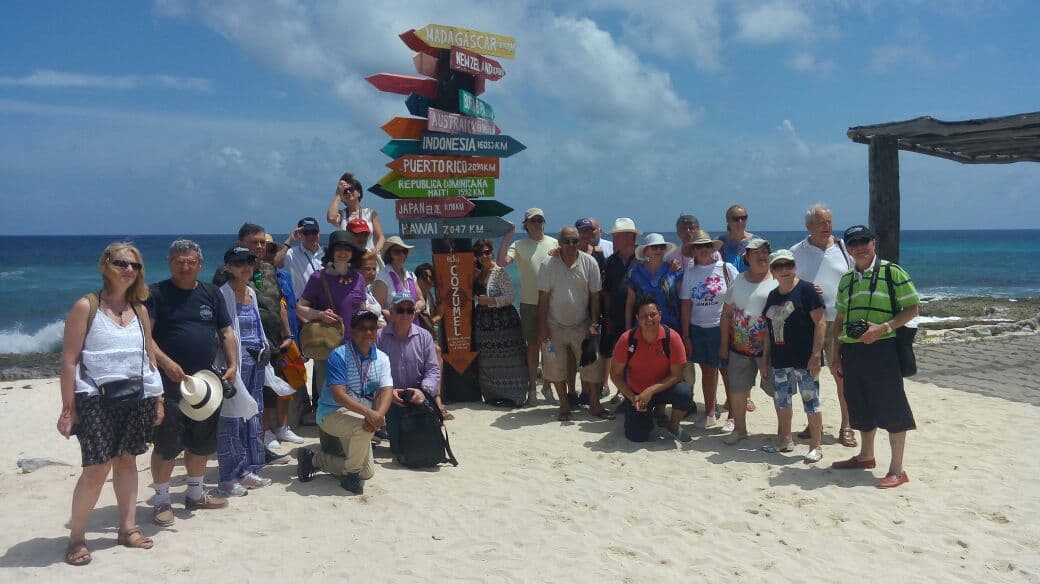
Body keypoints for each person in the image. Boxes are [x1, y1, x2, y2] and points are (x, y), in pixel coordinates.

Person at [58, 243, 164, 565]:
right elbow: (68, 360)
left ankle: (127, 528)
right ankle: (76, 538)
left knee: (127, 461)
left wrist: (157, 398)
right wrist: (68, 408)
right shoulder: (85, 306)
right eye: (121, 263)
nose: (128, 270)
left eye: (134, 265)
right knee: (96, 469)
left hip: (135, 397)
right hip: (95, 399)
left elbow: (148, 359)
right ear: (106, 265)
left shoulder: (141, 310)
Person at [148, 240, 243, 527]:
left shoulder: (211, 293)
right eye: (179, 260)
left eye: (190, 261)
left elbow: (225, 330)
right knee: (167, 443)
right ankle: (162, 500)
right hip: (168, 384)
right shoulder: (156, 294)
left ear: (200, 264)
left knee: (202, 441)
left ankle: (195, 493)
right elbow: (145, 337)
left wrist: (233, 363)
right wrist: (166, 363)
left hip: (205, 385)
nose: (185, 266)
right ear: (169, 262)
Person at [831, 225, 919, 489]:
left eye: (863, 241)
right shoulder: (847, 279)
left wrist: (883, 328)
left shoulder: (892, 272)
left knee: (891, 406)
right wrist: (836, 355)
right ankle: (866, 456)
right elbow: (840, 318)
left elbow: (913, 308)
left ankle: (897, 469)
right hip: (853, 350)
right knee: (860, 403)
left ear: (873, 243)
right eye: (853, 243)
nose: (859, 247)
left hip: (884, 349)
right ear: (847, 248)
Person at [296, 309, 394, 494]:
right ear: (353, 331)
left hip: (361, 415)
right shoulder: (339, 355)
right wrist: (370, 415)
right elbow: (339, 395)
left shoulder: (382, 358)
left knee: (366, 472)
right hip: (331, 414)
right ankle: (349, 478)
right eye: (362, 328)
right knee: (362, 428)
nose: (367, 332)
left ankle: (314, 460)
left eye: (372, 328)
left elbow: (387, 390)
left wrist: (379, 415)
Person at [790, 204, 856, 447]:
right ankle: (813, 422)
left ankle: (847, 425)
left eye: (829, 221)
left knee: (842, 375)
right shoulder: (796, 251)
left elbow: (856, 277)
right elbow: (786, 279)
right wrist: (805, 288)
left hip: (840, 321)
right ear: (809, 226)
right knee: (810, 375)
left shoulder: (843, 249)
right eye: (821, 222)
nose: (827, 226)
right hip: (809, 322)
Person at [214, 247, 278, 496]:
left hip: (256, 363)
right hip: (234, 366)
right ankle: (228, 476)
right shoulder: (222, 295)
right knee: (231, 420)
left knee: (252, 414)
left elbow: (257, 326)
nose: (246, 267)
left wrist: (265, 349)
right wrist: (230, 365)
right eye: (239, 262)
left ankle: (248, 468)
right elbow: (222, 333)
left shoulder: (251, 292)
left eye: (249, 262)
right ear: (228, 266)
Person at [536, 226, 609, 421]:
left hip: (582, 324)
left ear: (579, 242)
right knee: (554, 366)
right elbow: (543, 297)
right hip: (554, 325)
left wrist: (594, 323)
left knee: (592, 365)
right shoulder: (548, 263)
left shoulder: (590, 263)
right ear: (559, 242)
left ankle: (594, 404)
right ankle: (564, 405)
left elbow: (595, 297)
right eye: (566, 241)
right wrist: (542, 326)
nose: (570, 245)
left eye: (574, 241)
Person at [762, 249, 826, 463]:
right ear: (772, 271)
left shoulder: (807, 290)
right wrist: (765, 360)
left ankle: (816, 446)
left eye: (788, 265)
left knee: (811, 402)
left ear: (794, 266)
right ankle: (785, 439)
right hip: (780, 360)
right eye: (779, 266)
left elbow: (821, 323)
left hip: (805, 359)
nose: (784, 270)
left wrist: (816, 355)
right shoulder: (772, 295)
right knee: (782, 402)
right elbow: (768, 331)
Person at [297, 230, 366, 412]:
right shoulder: (318, 278)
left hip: (355, 346)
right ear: (332, 252)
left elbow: (362, 310)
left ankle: (354, 432)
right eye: (339, 249)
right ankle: (330, 436)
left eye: (347, 249)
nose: (343, 253)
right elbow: (300, 307)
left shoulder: (359, 279)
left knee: (356, 391)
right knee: (329, 394)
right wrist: (320, 314)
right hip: (327, 346)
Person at [610, 298, 694, 443]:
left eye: (653, 314)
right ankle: (648, 417)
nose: (649, 319)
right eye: (643, 316)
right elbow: (615, 374)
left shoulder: (672, 338)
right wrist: (632, 397)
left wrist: (651, 391)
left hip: (664, 389)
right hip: (637, 394)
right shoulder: (627, 340)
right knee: (637, 437)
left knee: (685, 393)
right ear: (637, 318)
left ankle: (673, 426)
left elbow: (677, 375)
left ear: (660, 315)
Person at [720, 237, 777, 445]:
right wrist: (724, 345)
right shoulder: (738, 280)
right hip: (739, 348)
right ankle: (740, 430)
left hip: (771, 351)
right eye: (756, 253)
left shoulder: (778, 279)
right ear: (746, 257)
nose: (762, 256)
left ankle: (783, 433)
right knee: (737, 391)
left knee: (777, 393)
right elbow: (726, 314)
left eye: (765, 252)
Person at [679, 230, 738, 429]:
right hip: (699, 329)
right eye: (699, 246)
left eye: (707, 246)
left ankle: (733, 415)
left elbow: (739, 296)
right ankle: (710, 412)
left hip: (721, 328)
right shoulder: (690, 273)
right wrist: (686, 335)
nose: (703, 249)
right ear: (693, 250)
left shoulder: (726, 268)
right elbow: (686, 305)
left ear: (713, 248)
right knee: (707, 371)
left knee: (727, 371)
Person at [378, 293, 451, 450]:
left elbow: (433, 370)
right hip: (391, 399)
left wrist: (423, 391)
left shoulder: (424, 336)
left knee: (422, 447)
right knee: (397, 448)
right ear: (391, 311)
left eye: (409, 310)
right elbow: (371, 372)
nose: (405, 314)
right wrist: (388, 393)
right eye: (400, 310)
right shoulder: (379, 337)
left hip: (419, 398)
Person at [499, 208, 557, 401]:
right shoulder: (519, 244)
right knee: (532, 346)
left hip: (552, 303)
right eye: (533, 221)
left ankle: (547, 387)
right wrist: (507, 236)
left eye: (540, 220)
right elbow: (501, 262)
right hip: (529, 303)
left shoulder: (554, 243)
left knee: (549, 347)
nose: (537, 224)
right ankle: (532, 388)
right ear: (526, 224)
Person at [472, 238, 529, 407]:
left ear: (492, 252)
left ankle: (515, 396)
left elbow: (510, 297)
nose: (483, 256)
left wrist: (489, 301)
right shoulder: (478, 273)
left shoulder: (500, 272)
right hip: (484, 324)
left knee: (511, 359)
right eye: (479, 253)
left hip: (504, 323)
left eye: (486, 252)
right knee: (487, 361)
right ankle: (492, 395)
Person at [600, 218, 641, 401]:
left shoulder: (642, 259)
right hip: (616, 316)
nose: (613, 240)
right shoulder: (611, 262)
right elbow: (607, 292)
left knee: (638, 356)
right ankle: (622, 391)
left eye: (616, 237)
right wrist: (607, 317)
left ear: (628, 237)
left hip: (639, 317)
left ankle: (635, 391)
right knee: (621, 354)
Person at [625, 233, 682, 331]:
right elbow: (630, 304)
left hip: (671, 328)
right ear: (646, 251)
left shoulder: (674, 271)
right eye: (654, 247)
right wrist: (628, 329)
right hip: (643, 328)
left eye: (662, 247)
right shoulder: (635, 273)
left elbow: (682, 301)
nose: (659, 250)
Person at [327, 171, 385, 254]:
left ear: (359, 193)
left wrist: (376, 250)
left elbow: (380, 237)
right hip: (350, 260)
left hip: (368, 258)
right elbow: (331, 218)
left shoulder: (370, 213)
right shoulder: (342, 215)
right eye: (345, 191)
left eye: (351, 189)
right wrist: (338, 194)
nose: (348, 192)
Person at [373, 236, 425, 319]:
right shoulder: (383, 277)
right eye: (397, 252)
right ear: (389, 255)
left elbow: (421, 300)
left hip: (413, 327)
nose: (402, 255)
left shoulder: (411, 276)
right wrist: (398, 319)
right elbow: (378, 309)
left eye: (404, 251)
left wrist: (419, 305)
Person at [275, 216, 324, 301]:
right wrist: (290, 240)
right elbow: (276, 262)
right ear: (300, 234)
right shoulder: (292, 253)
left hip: (325, 304)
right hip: (303, 305)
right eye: (307, 233)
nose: (311, 235)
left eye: (314, 232)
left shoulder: (327, 253)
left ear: (319, 233)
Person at [718, 204, 757, 273]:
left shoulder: (756, 242)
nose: (740, 221)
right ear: (728, 220)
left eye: (743, 218)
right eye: (736, 219)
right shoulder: (720, 243)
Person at [359, 251, 387, 329]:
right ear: (357, 270)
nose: (372, 273)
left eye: (374, 269)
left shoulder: (366, 288)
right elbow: (365, 317)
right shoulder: (357, 292)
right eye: (367, 269)